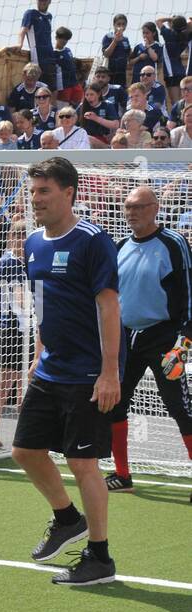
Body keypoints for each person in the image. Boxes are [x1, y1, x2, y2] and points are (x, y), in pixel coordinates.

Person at [11, 157, 122, 586]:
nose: (36, 199)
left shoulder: (93, 241)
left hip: (88, 373)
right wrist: (38, 354)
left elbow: (109, 306)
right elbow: (44, 306)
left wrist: (109, 372)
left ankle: (100, 557)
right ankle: (66, 518)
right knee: (24, 451)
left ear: (69, 192)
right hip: (50, 368)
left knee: (82, 463)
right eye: (33, 191)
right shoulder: (32, 244)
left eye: (44, 191)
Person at [108, 186, 192, 498]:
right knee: (114, 402)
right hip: (126, 338)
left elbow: (189, 293)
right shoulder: (119, 247)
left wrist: (184, 343)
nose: (132, 213)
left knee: (179, 407)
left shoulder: (174, 243)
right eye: (128, 207)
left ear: (155, 208)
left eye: (139, 207)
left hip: (165, 337)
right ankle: (122, 475)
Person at [0, 221, 32, 449]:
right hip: (12, 328)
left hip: (29, 328)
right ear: (13, 237)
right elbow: (19, 298)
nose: (23, 241)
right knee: (7, 381)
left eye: (26, 236)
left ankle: (24, 436)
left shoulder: (26, 262)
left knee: (29, 383)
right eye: (20, 236)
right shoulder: (9, 262)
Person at [18, 0, 57, 90]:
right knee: (40, 87)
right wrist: (20, 44)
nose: (42, 2)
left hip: (50, 57)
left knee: (53, 88)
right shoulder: (31, 13)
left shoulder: (49, 16)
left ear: (49, 1)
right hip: (38, 57)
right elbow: (23, 30)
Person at [80, 81, 120, 147]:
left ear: (98, 94)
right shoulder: (82, 106)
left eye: (92, 94)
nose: (89, 97)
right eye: (87, 95)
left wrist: (96, 118)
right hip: (84, 139)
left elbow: (116, 124)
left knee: (89, 139)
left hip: (103, 139)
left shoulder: (107, 105)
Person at [157, 14, 192, 86]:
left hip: (171, 72)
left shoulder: (168, 35)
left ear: (172, 25)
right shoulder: (186, 36)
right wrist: (178, 20)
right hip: (181, 71)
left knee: (175, 97)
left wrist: (171, 19)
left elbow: (158, 21)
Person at [53, 27, 82, 105]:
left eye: (66, 39)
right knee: (63, 109)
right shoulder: (53, 53)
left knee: (78, 106)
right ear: (56, 38)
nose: (64, 41)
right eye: (62, 38)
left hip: (74, 83)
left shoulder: (68, 50)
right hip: (63, 86)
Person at [101, 14, 133, 82]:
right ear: (114, 25)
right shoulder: (108, 36)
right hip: (109, 73)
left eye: (123, 24)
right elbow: (106, 54)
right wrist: (115, 41)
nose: (121, 26)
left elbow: (129, 55)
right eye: (118, 24)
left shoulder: (126, 39)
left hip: (122, 74)